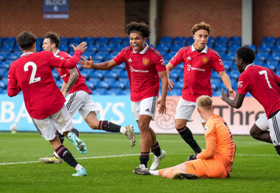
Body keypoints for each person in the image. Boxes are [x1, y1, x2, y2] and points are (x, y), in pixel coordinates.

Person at [80, 22, 168, 172]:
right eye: (131, 38)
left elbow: (164, 78)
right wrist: (93, 66)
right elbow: (109, 64)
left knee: (143, 127)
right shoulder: (126, 52)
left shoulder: (154, 55)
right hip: (135, 95)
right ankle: (158, 153)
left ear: (144, 39)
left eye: (137, 39)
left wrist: (163, 99)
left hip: (150, 93)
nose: (134, 42)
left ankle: (143, 164)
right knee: (144, 127)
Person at [39, 32, 135, 164]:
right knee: (93, 124)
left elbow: (74, 74)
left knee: (59, 121)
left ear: (53, 45)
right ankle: (125, 130)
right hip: (82, 92)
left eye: (45, 43)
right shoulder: (57, 58)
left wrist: (66, 91)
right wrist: (62, 91)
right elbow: (67, 77)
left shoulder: (62, 56)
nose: (43, 46)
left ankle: (58, 155)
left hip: (77, 92)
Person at [7, 31, 88, 176]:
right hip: (54, 101)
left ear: (20, 47)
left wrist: (22, 82)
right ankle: (71, 135)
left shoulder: (14, 66)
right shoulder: (45, 55)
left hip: (36, 109)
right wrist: (77, 52)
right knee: (67, 129)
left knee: (54, 141)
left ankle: (79, 168)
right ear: (34, 45)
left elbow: (11, 93)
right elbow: (70, 64)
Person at [166, 22, 235, 155]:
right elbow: (167, 67)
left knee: (208, 128)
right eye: (200, 36)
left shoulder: (212, 55)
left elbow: (222, 73)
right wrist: (167, 78)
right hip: (186, 96)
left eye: (206, 36)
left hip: (203, 98)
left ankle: (216, 154)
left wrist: (229, 88)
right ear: (194, 36)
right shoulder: (184, 51)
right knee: (179, 125)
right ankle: (198, 152)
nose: (203, 39)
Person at [135, 95, 236, 180]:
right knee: (181, 166)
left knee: (171, 171)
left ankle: (154, 173)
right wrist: (228, 167)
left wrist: (195, 156)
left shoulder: (210, 125)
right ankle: (152, 172)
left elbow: (210, 152)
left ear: (198, 110)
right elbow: (233, 146)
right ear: (213, 108)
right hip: (224, 168)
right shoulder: (220, 120)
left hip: (215, 166)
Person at [222, 46, 280, 155]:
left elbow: (236, 104)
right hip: (272, 110)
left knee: (279, 149)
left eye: (235, 60)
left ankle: (278, 139)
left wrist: (225, 98)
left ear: (241, 60)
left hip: (276, 112)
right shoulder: (265, 69)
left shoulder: (245, 75)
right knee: (255, 132)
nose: (234, 63)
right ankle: (277, 138)